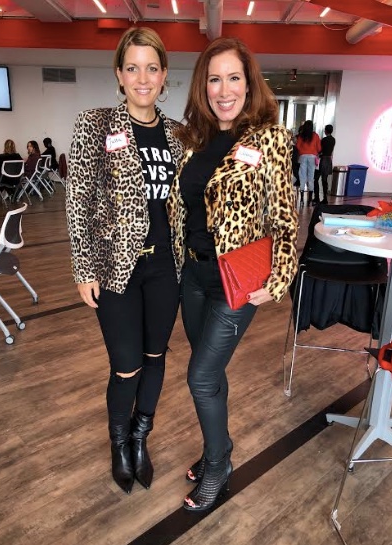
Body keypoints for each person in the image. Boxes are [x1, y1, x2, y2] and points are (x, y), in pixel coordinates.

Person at [166, 37, 298, 512]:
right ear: (204, 87)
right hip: (194, 278)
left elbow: (285, 216)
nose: (224, 89)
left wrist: (279, 277)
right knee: (212, 370)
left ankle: (219, 466)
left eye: (234, 78)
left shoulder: (269, 140)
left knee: (200, 376)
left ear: (250, 83)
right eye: (214, 79)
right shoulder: (193, 140)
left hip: (235, 283)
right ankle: (216, 449)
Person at [66, 27, 183, 495]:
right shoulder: (94, 124)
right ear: (119, 74)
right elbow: (79, 199)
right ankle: (118, 441)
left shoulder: (177, 134)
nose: (142, 77)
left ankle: (140, 438)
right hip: (117, 268)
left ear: (163, 75)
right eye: (132, 67)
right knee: (127, 365)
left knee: (156, 359)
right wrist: (83, 267)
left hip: (165, 269)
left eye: (151, 68)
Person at [296, 119, 321, 207]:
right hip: (312, 157)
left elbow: (298, 146)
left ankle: (302, 199)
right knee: (311, 177)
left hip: (303, 157)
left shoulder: (301, 136)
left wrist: (303, 151)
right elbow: (319, 148)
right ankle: (309, 200)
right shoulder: (315, 135)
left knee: (302, 177)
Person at [312, 124, 336, 205]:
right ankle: (325, 198)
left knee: (316, 179)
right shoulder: (333, 140)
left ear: (325, 131)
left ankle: (317, 197)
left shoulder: (324, 140)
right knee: (324, 180)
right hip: (329, 160)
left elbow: (320, 150)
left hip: (323, 160)